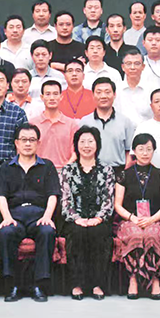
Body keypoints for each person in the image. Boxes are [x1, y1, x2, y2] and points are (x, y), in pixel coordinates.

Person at [0, 124, 62, 302]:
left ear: (38, 143)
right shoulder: (6, 167)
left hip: (38, 215)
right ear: (16, 143)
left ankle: (39, 285)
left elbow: (53, 195)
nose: (27, 144)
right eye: (24, 140)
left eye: (32, 140)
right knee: (6, 232)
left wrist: (47, 217)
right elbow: (1, 196)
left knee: (47, 231)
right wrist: (7, 217)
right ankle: (12, 285)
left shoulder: (47, 166)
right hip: (15, 215)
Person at [55, 126, 116, 300]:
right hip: (74, 220)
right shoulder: (68, 170)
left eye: (90, 141)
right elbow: (65, 200)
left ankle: (97, 284)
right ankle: (77, 284)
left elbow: (109, 199)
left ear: (97, 145)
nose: (86, 145)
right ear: (76, 145)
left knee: (98, 233)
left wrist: (99, 218)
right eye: (82, 142)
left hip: (100, 219)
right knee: (78, 233)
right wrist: (77, 218)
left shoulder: (107, 170)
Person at [113, 133, 160, 299]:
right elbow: (118, 205)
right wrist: (132, 218)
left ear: (153, 151)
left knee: (152, 235)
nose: (145, 153)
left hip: (155, 220)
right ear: (134, 151)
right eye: (141, 149)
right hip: (129, 220)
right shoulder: (124, 175)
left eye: (149, 149)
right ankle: (133, 278)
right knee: (136, 235)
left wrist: (152, 219)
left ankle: (154, 279)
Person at [80, 77, 135, 168]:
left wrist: (125, 172)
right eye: (99, 92)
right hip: (91, 170)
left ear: (114, 94)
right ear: (93, 95)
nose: (103, 96)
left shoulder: (125, 122)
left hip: (117, 170)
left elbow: (129, 151)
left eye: (107, 92)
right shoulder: (84, 122)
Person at [31, 80, 80, 169]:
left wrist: (65, 169)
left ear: (61, 97)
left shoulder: (71, 124)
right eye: (48, 94)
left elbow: (75, 151)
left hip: (65, 171)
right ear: (42, 97)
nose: (52, 98)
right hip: (39, 171)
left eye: (55, 94)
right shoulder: (33, 123)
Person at [115, 47, 154, 127]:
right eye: (129, 64)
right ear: (123, 67)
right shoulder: (116, 89)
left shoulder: (152, 89)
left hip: (146, 131)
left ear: (143, 67)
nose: (132, 67)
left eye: (137, 63)